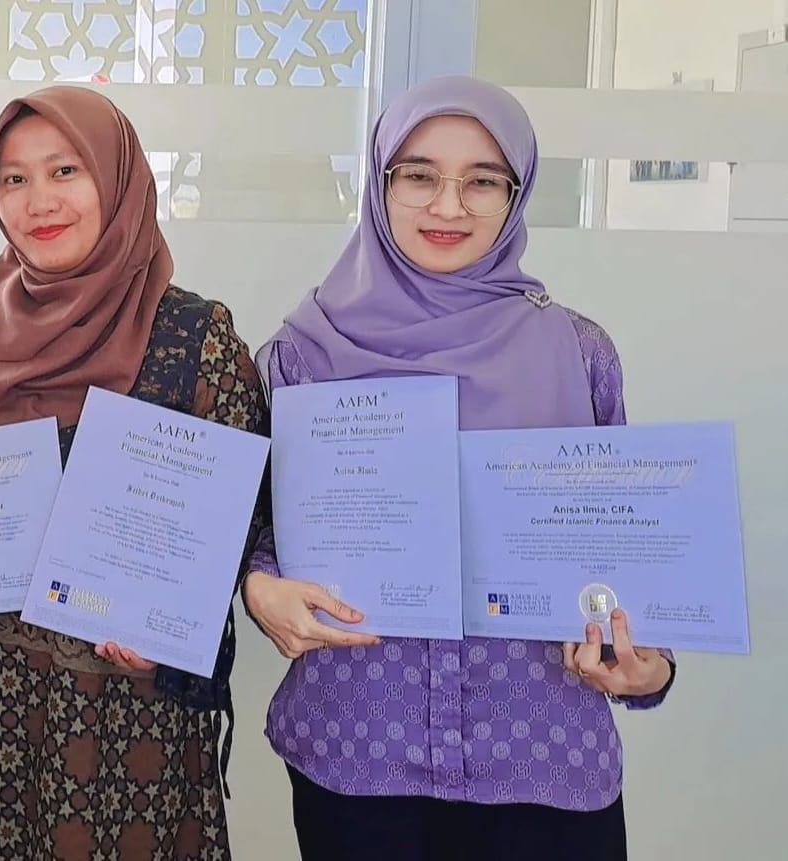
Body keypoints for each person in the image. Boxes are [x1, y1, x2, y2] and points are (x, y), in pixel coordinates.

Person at [244, 76, 675, 861]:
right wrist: (260, 587)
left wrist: (650, 667)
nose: (449, 206)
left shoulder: (579, 353)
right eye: (419, 175)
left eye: (482, 180)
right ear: (380, 185)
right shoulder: (299, 357)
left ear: (517, 193)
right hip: (359, 750)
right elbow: (267, 529)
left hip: (543, 757)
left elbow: (622, 550)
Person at [0, 85, 268, 860]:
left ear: (117, 180)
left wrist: (174, 629)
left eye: (65, 170)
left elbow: (241, 524)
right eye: (13, 178)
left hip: (119, 721)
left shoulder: (194, 336)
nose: (38, 200)